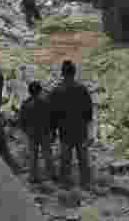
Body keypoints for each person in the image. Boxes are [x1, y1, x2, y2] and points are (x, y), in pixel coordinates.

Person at [50, 60, 94, 190]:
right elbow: (89, 111)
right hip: (80, 129)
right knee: (83, 159)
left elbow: (52, 114)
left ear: (62, 73)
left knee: (65, 159)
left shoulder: (56, 91)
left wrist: (53, 130)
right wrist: (86, 123)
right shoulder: (82, 89)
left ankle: (65, 183)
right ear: (74, 72)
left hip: (65, 130)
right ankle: (86, 183)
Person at [19, 81, 55, 185]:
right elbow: (52, 118)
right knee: (47, 154)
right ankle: (50, 175)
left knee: (33, 156)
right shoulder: (46, 102)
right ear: (40, 91)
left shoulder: (25, 104)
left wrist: (26, 131)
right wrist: (52, 131)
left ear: (29, 92)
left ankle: (33, 177)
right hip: (45, 132)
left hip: (31, 134)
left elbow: (22, 121)